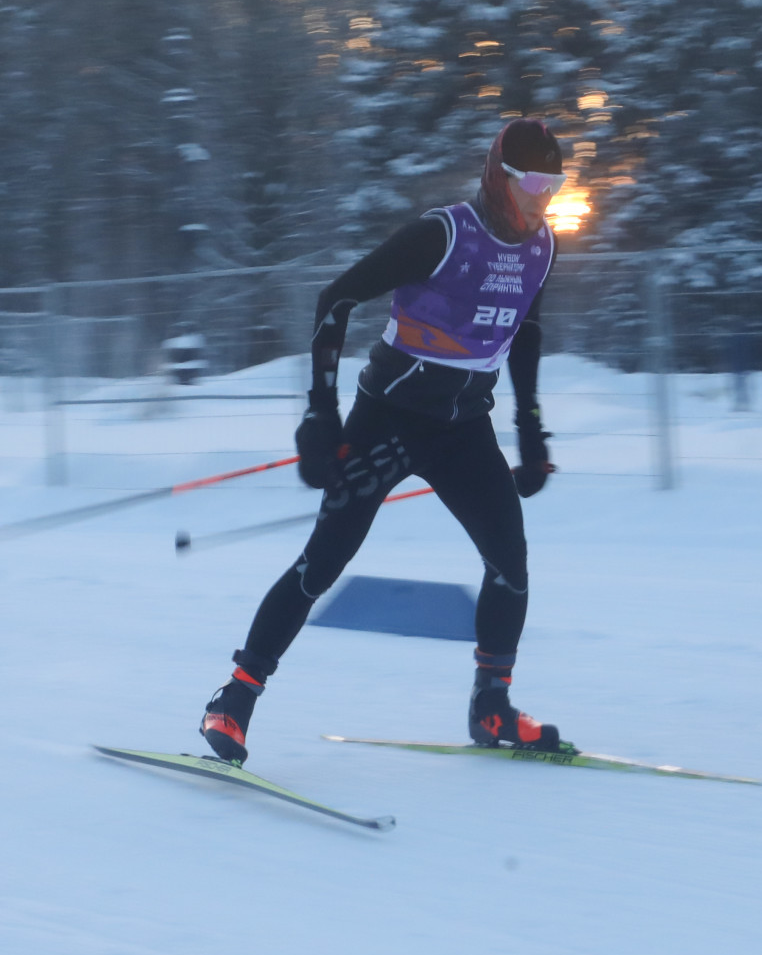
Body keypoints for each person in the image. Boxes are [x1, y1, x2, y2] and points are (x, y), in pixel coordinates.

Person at [199, 119, 570, 765]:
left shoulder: (543, 246)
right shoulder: (444, 234)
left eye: (555, 184)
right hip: (390, 420)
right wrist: (320, 415)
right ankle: (234, 699)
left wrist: (530, 428)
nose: (543, 196)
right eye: (532, 182)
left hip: (463, 428)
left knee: (510, 563)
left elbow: (527, 333)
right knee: (324, 562)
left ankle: (491, 706)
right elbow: (336, 299)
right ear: (498, 177)